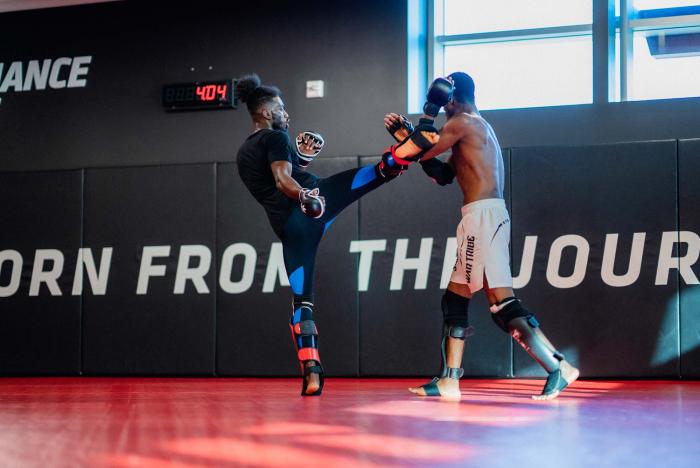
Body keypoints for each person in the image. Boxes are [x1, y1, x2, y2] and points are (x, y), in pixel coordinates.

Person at [234, 73, 445, 396]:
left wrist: (301, 159)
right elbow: (282, 180)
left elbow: (274, 180)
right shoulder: (274, 139)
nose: (285, 114)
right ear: (265, 113)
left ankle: (312, 370)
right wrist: (304, 196)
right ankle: (420, 132)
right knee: (379, 171)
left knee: (302, 301)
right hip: (312, 203)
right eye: (280, 108)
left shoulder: (244, 152)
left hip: (289, 230)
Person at [384, 73, 579, 401]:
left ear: (451, 99)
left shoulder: (462, 122)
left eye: (443, 101)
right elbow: (442, 174)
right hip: (484, 216)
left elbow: (421, 150)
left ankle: (557, 366)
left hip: (483, 218)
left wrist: (412, 128)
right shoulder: (474, 125)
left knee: (499, 303)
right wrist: (412, 137)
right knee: (459, 299)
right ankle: (449, 380)